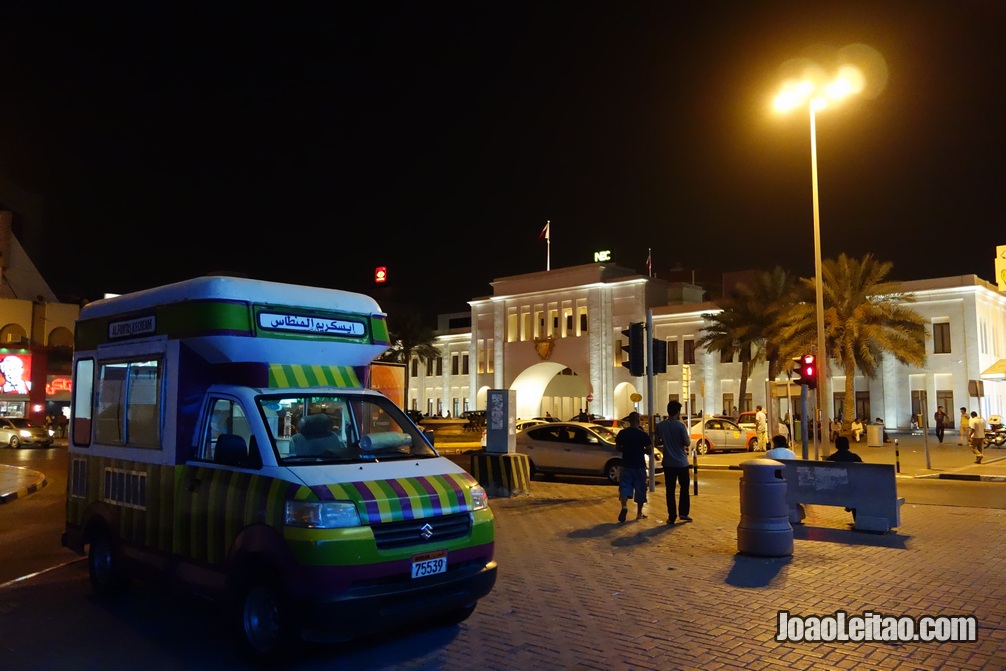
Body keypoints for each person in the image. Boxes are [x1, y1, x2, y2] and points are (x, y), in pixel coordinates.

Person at [655, 400, 692, 524]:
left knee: (670, 490)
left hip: (668, 462)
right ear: (678, 412)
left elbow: (657, 441)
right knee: (684, 488)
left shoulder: (661, 425)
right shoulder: (681, 426)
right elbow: (687, 443)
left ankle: (672, 516)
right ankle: (683, 513)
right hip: (681, 462)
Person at [615, 412, 651, 522]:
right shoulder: (643, 435)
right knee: (640, 489)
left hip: (626, 464)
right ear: (638, 421)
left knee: (625, 486)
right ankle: (639, 513)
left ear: (629, 421)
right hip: (639, 465)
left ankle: (624, 506)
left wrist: (625, 449)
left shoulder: (622, 433)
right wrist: (641, 450)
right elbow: (649, 450)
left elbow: (617, 448)